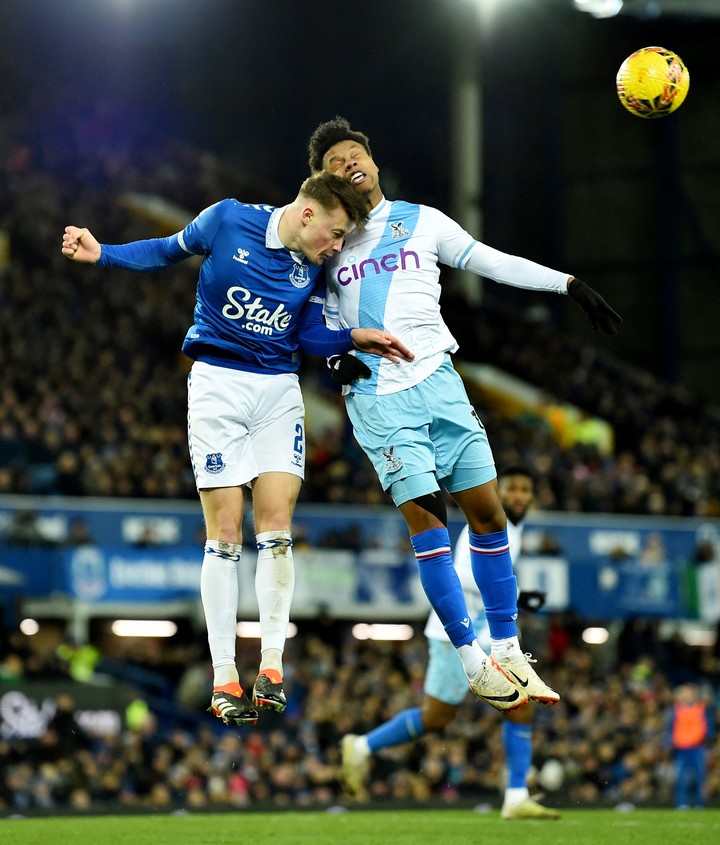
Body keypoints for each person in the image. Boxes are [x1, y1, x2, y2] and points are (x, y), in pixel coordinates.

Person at [61, 172, 412, 727]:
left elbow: (307, 336)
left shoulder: (314, 266)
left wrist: (352, 336)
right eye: (336, 233)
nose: (338, 246)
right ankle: (224, 676)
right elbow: (165, 250)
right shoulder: (227, 219)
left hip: (277, 393)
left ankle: (271, 665)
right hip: (217, 387)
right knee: (224, 534)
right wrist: (103, 253)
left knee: (276, 527)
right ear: (306, 215)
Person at [308, 116, 622, 711]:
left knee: (489, 516)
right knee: (431, 532)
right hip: (379, 398)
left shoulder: (421, 221)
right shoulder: (324, 240)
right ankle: (472, 658)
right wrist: (333, 360)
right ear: (322, 182)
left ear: (372, 162)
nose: (349, 164)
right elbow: (305, 316)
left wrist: (569, 285)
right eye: (334, 163)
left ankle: (506, 649)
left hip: (441, 383)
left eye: (355, 154)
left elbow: (489, 260)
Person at [341, 466, 560, 819]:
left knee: (523, 704)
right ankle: (363, 746)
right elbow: (466, 577)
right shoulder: (486, 523)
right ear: (499, 492)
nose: (519, 496)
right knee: (436, 718)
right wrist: (517, 594)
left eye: (525, 489)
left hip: (486, 634)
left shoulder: (511, 529)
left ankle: (516, 796)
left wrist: (519, 594)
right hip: (458, 634)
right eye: (513, 489)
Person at [665, 683, 715, 810]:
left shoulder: (702, 709)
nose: (687, 696)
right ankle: (681, 803)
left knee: (701, 776)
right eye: (685, 694)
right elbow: (669, 729)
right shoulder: (675, 710)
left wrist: (708, 740)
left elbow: (709, 727)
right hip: (681, 749)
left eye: (690, 694)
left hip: (698, 748)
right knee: (681, 777)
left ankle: (700, 803)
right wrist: (669, 743)